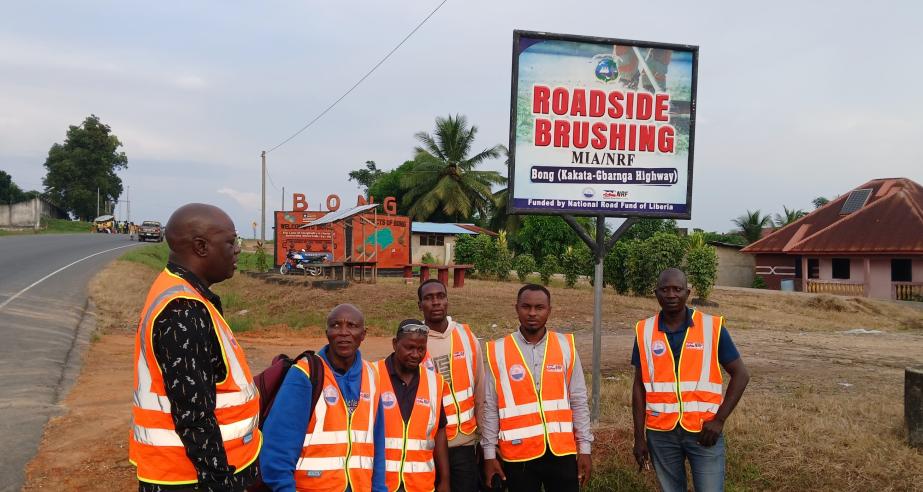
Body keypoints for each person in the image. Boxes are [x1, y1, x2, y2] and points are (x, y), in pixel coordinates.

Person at [129, 203, 261, 491]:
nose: (237, 249)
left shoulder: (181, 292)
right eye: (230, 242)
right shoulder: (183, 310)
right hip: (189, 477)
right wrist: (219, 482)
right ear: (201, 246)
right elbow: (193, 414)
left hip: (193, 471)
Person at [631, 268, 750, 492]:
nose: (671, 295)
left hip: (704, 432)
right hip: (660, 433)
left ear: (688, 292)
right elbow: (639, 385)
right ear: (656, 293)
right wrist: (639, 436)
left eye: (677, 289)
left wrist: (720, 420)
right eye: (664, 289)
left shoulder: (711, 327)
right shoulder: (644, 331)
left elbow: (741, 375)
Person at [260, 304, 386, 492]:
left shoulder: (372, 375)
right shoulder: (305, 374)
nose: (343, 332)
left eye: (352, 326)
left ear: (363, 334)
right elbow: (277, 450)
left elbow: (378, 447)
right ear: (327, 333)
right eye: (336, 325)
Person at [481, 284, 593, 492]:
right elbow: (490, 406)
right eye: (526, 306)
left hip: (561, 452)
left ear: (549, 310)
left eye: (539, 307)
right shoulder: (498, 351)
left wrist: (585, 448)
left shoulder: (565, 346)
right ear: (516, 308)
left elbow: (578, 399)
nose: (532, 313)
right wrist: (488, 454)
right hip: (518, 455)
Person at [417, 279, 484, 492]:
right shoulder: (415, 342)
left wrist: (485, 440)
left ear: (447, 301)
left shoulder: (466, 336)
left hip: (464, 444)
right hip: (428, 446)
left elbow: (481, 388)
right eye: (428, 298)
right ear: (420, 306)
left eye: (440, 296)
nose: (436, 302)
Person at [379, 319, 451, 492]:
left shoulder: (435, 382)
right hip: (381, 483)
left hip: (421, 484)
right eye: (409, 348)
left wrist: (445, 479)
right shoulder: (372, 375)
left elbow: (440, 432)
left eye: (421, 349)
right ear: (395, 344)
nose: (416, 354)